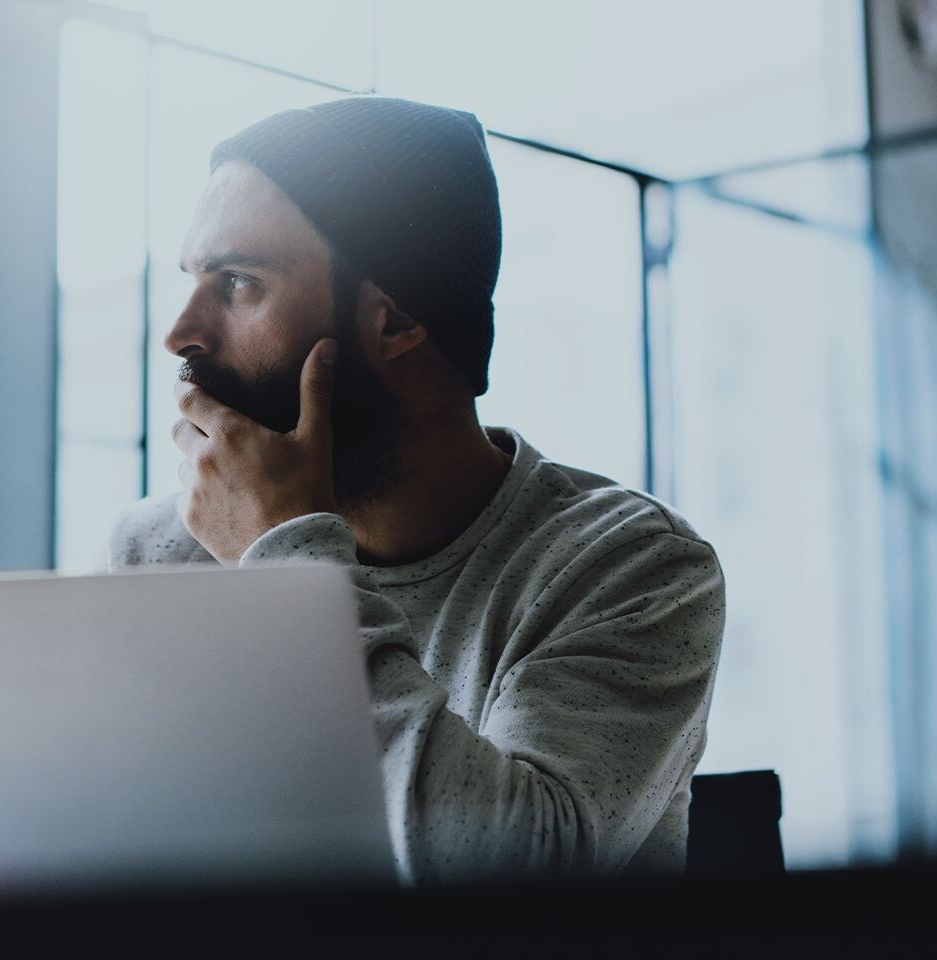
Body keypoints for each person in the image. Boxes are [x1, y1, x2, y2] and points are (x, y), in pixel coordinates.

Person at [108, 96, 725, 883]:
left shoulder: (632, 568)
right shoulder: (160, 552)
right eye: (194, 280)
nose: (181, 333)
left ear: (395, 320)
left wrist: (289, 574)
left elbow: (511, 882)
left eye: (236, 283)